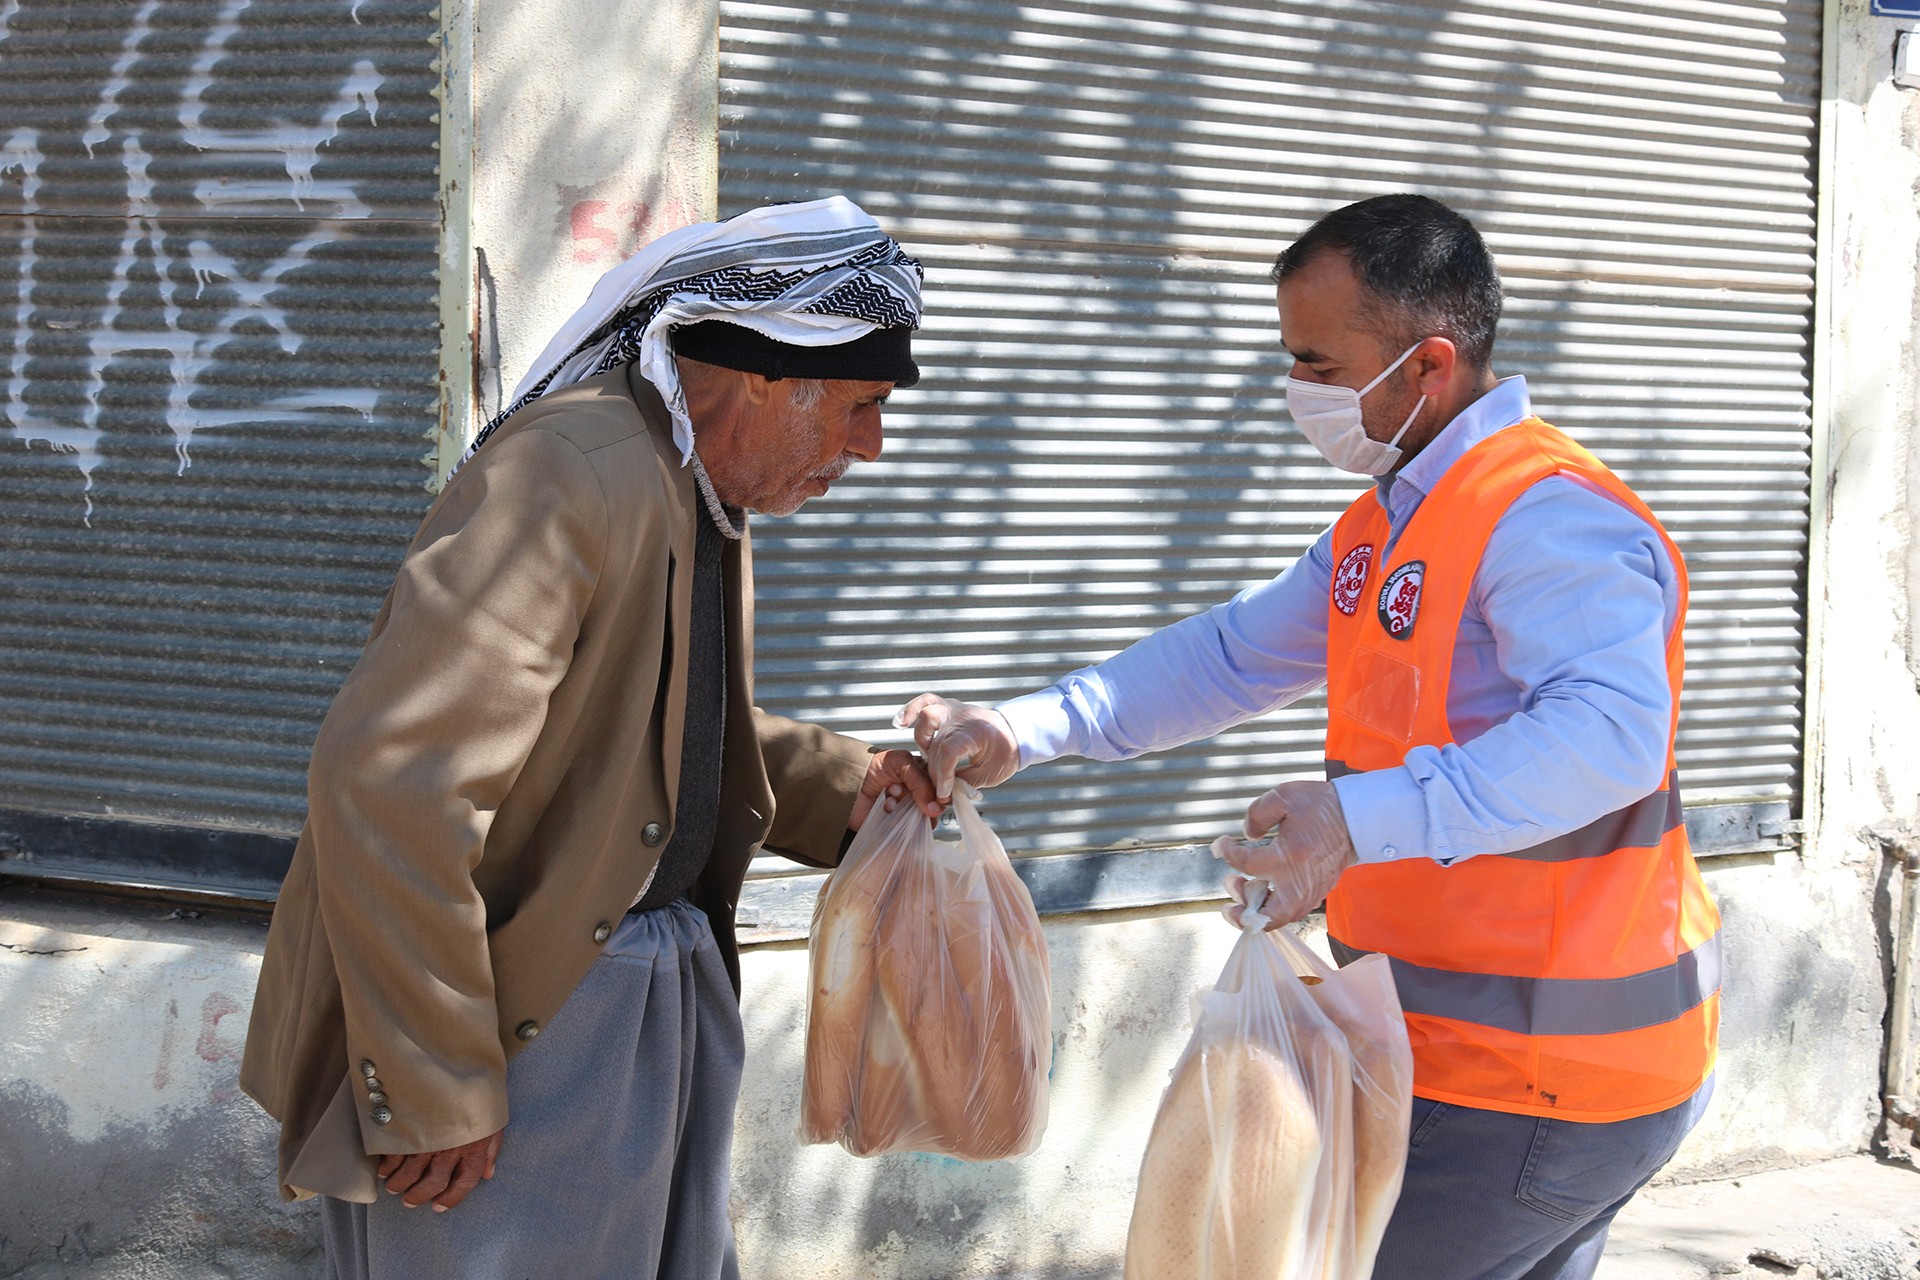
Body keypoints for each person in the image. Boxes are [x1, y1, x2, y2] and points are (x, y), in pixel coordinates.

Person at [902, 193, 1721, 1280]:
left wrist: (1354, 820)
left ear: (1428, 365)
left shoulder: (1545, 515)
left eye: (1319, 364)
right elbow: (1231, 655)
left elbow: (1611, 738)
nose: (1297, 392)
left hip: (1538, 1077)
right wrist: (1018, 728)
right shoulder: (1392, 517)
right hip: (1459, 1055)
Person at [240, 195, 943, 1280]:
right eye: (856, 404)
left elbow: (642, 724)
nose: (873, 444)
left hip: (641, 1001)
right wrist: (436, 1078)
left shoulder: (686, 481)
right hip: (525, 1020)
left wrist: (850, 788)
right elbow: (393, 776)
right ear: (759, 376)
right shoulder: (572, 473)